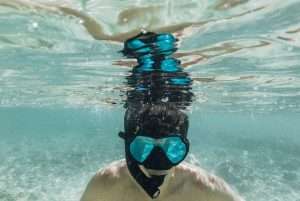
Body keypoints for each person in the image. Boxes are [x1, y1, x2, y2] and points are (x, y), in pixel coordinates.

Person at [80, 104, 245, 201]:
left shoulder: (203, 186)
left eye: (172, 148)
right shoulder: (106, 184)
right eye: (144, 147)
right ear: (129, 148)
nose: (158, 159)